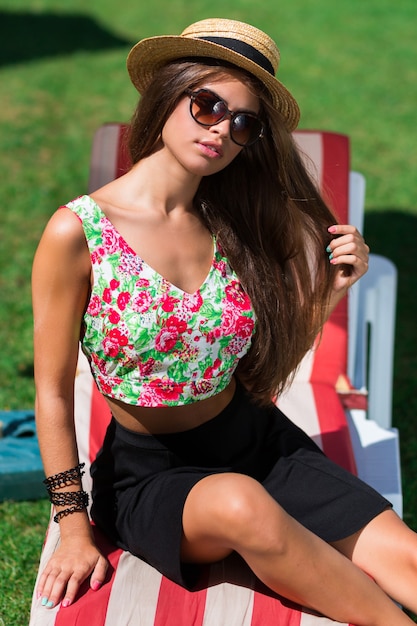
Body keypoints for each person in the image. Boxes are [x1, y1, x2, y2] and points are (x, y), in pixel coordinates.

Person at [32, 18, 417, 624]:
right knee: (242, 505)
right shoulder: (78, 232)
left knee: (409, 560)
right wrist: (73, 528)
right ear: (167, 95)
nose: (221, 129)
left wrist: (331, 292)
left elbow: (260, 376)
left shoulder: (230, 224)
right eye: (207, 104)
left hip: (257, 441)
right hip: (149, 472)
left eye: (243, 122)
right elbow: (53, 393)